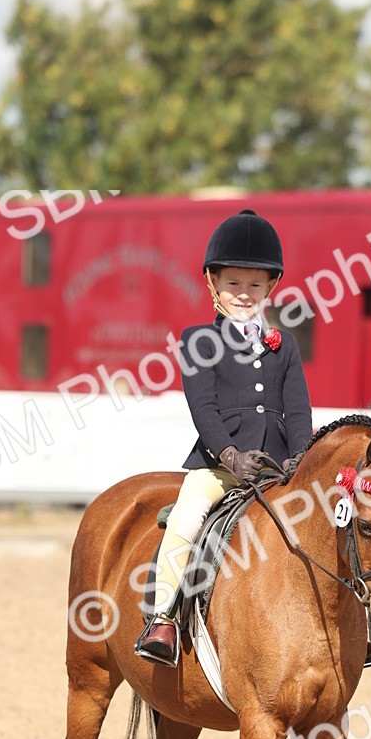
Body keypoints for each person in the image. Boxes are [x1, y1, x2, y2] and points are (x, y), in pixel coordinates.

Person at [134, 208, 313, 666]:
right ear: (213, 283)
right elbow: (203, 409)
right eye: (233, 283)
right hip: (219, 467)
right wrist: (230, 456)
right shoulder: (198, 340)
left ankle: (354, 625)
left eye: (254, 284)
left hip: (277, 469)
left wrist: (300, 459)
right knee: (187, 517)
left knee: (328, 522)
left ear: (271, 287)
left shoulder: (284, 345)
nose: (244, 294)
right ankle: (163, 619)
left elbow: (297, 411)